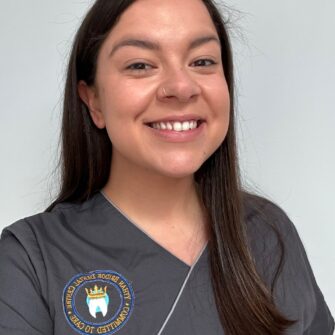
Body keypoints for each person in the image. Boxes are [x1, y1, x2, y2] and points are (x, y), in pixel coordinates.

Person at [0, 0, 333, 334]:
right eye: (141, 65)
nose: (181, 87)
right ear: (93, 100)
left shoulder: (269, 233)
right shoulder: (31, 260)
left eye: (202, 61)